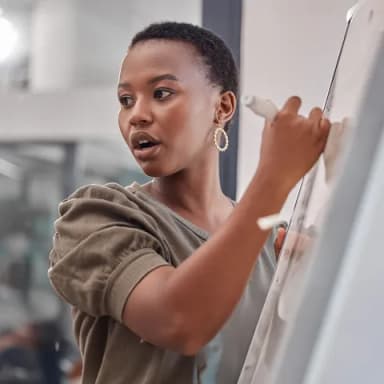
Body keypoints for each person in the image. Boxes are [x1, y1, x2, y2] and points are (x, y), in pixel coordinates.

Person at [48, 22, 330, 384]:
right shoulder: (94, 220)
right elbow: (178, 321)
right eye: (126, 100)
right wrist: (274, 178)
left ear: (223, 107)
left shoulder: (273, 243)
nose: (137, 115)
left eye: (162, 93)